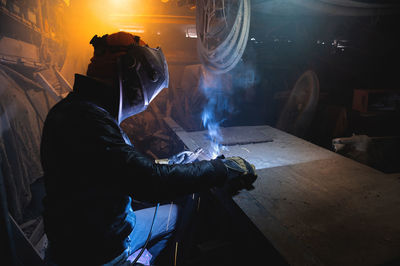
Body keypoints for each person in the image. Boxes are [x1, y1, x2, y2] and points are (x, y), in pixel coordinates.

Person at [40, 32, 257, 265]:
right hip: (95, 253)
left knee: (173, 215)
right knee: (182, 215)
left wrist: (177, 162)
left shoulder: (78, 109)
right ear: (130, 81)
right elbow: (149, 182)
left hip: (94, 230)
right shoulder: (88, 122)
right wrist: (219, 169)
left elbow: (122, 166)